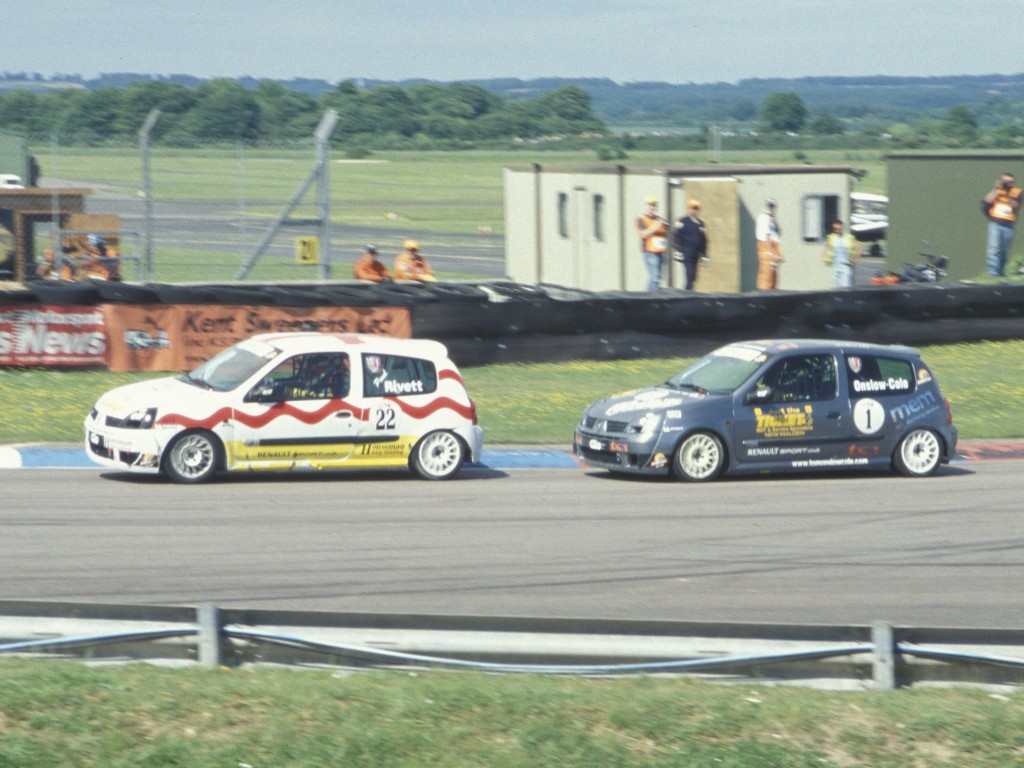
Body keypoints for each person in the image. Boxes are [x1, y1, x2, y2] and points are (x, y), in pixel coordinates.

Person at [982, 172, 1022, 277]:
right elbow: (987, 200)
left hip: (1008, 225)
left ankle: (1000, 271)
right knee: (994, 249)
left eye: (1010, 182)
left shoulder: (1017, 192)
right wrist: (997, 189)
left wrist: (1007, 193)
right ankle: (993, 273)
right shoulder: (997, 190)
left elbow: (1016, 206)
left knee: (1004, 251)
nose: (1007, 184)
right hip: (995, 223)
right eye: (1005, 181)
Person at [671, 199, 709, 290]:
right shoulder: (683, 221)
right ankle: (686, 294)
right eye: (692, 208)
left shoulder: (701, 224)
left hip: (696, 254)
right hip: (686, 253)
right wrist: (678, 250)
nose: (694, 210)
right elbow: (676, 235)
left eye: (696, 208)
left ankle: (689, 292)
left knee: (694, 277)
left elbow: (704, 240)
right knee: (690, 275)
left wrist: (704, 255)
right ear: (689, 209)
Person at [636, 196, 668, 291]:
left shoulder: (660, 219)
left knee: (657, 278)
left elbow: (666, 231)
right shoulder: (641, 219)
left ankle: (652, 296)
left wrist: (665, 225)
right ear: (646, 206)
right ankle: (648, 298)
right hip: (650, 252)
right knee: (655, 277)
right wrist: (656, 225)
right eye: (650, 205)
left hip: (660, 252)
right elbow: (643, 234)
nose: (652, 207)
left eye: (654, 205)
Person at [822, 219, 862, 289]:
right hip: (835, 266)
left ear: (842, 227)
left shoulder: (849, 237)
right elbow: (826, 248)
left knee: (845, 287)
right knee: (836, 287)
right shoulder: (831, 237)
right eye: (835, 228)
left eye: (839, 228)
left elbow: (858, 247)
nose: (837, 230)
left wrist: (854, 259)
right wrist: (825, 259)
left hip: (845, 266)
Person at [755, 198, 784, 290]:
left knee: (773, 273)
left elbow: (778, 232)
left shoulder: (772, 218)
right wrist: (771, 252)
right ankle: (764, 293)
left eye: (773, 206)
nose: (772, 208)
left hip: (774, 246)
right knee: (766, 273)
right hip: (767, 247)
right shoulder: (763, 218)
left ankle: (772, 291)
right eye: (770, 205)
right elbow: (766, 236)